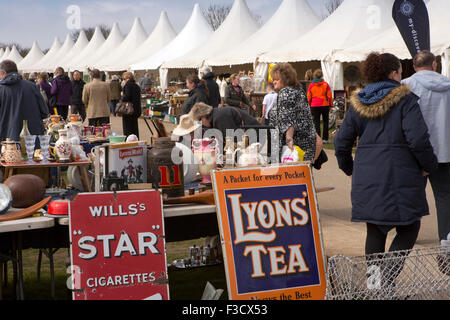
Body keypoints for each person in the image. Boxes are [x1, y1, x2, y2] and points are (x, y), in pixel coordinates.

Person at [334, 52, 438, 288]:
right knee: (409, 227)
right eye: (401, 72)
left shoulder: (357, 103)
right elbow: (418, 140)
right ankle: (384, 283)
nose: (403, 77)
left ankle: (375, 286)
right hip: (402, 174)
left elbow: (341, 143)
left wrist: (350, 168)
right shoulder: (405, 100)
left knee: (376, 230)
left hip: (369, 176)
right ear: (393, 73)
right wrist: (429, 166)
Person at [402, 50, 450, 242]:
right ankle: (446, 240)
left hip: (415, 151)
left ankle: (407, 237)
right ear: (434, 65)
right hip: (444, 150)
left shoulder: (406, 85)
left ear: (414, 67)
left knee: (413, 196)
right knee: (445, 197)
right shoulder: (447, 85)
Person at [268, 63, 317, 163]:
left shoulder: (285, 92)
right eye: (273, 79)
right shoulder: (298, 91)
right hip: (305, 143)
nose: (274, 82)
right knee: (302, 174)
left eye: (277, 79)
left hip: (292, 145)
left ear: (286, 79)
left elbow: (288, 119)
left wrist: (289, 140)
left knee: (289, 175)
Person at [0, 60, 48, 141]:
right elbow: (44, 112)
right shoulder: (32, 86)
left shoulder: (1, 89)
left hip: (8, 138)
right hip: (33, 137)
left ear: (3, 72)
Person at [307, 69, 333, 143]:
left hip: (314, 105)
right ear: (322, 76)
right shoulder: (325, 84)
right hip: (324, 104)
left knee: (316, 122)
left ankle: (318, 139)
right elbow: (329, 96)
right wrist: (331, 104)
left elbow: (309, 96)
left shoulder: (311, 85)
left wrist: (309, 105)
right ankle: (325, 139)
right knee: (325, 122)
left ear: (314, 76)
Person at [121, 72, 141, 139]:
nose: (123, 80)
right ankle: (136, 141)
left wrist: (122, 98)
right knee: (134, 129)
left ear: (128, 78)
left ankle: (129, 142)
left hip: (128, 110)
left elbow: (127, 97)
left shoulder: (127, 85)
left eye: (124, 79)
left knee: (128, 129)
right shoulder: (136, 86)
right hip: (136, 110)